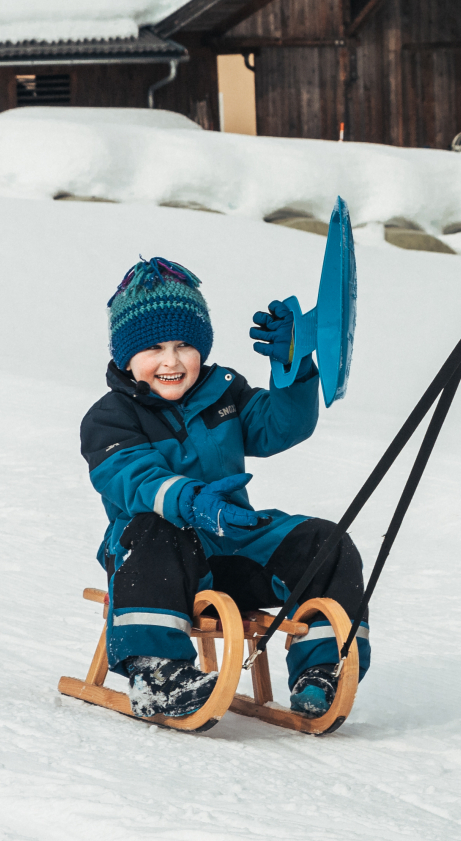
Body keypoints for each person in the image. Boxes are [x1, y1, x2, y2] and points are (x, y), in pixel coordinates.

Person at [78, 256, 371, 720]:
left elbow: (280, 427)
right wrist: (191, 501)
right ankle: (158, 674)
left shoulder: (224, 395)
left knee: (325, 543)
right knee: (155, 529)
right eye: (153, 348)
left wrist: (292, 369)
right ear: (126, 357)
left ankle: (321, 670)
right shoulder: (110, 418)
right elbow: (132, 478)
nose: (171, 361)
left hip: (232, 545)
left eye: (183, 345)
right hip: (159, 563)